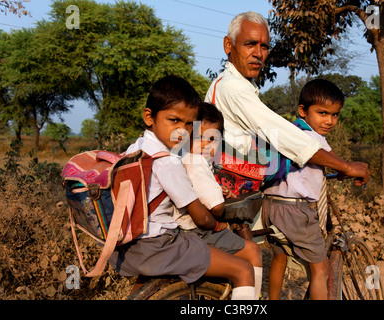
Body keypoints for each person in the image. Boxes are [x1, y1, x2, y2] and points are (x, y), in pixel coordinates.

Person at [108, 75, 256, 300]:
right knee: (243, 269)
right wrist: (222, 225)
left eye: (189, 124)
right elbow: (202, 218)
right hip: (159, 245)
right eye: (174, 120)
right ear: (149, 117)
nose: (182, 131)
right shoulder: (167, 161)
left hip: (129, 244)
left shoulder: (136, 148)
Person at [204, 11, 370, 183]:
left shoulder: (239, 85)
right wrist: (346, 167)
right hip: (227, 197)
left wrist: (339, 164)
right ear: (228, 45)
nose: (258, 54)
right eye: (250, 44)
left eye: (264, 47)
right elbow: (282, 134)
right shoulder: (232, 87)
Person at [264, 79, 358, 300]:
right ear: (303, 111)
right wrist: (353, 169)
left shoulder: (290, 132)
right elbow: (336, 160)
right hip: (296, 212)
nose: (329, 121)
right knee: (321, 270)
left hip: (271, 207)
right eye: (322, 113)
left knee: (280, 258)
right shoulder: (313, 139)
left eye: (335, 115)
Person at [174, 102, 264, 299]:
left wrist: (218, 190)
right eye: (199, 137)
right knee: (253, 252)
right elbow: (216, 207)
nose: (206, 144)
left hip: (180, 229)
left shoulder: (181, 158)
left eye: (212, 139)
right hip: (196, 231)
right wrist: (221, 215)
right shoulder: (196, 162)